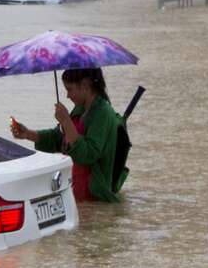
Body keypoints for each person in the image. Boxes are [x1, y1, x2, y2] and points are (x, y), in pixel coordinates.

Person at [9, 67, 128, 203]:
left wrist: (66, 120)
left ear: (85, 85)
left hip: (95, 198)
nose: (67, 95)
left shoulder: (103, 113)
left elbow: (88, 155)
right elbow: (60, 138)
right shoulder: (80, 109)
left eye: (70, 89)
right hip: (75, 189)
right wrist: (28, 134)